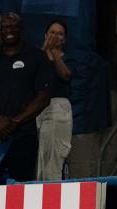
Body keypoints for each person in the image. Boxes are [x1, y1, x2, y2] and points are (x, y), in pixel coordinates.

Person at [0, 12, 51, 183]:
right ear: (0, 31)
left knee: (21, 187)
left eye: (13, 26)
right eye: (4, 27)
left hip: (23, 135)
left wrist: (15, 122)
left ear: (21, 29)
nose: (8, 30)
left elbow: (43, 97)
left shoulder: (36, 56)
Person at [36, 19, 73, 181]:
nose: (55, 36)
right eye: (52, 32)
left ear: (64, 39)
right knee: (40, 158)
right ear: (45, 35)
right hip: (37, 109)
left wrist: (55, 53)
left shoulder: (69, 56)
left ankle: (53, 199)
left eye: (60, 34)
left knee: (54, 159)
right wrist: (45, 49)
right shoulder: (37, 55)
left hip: (57, 108)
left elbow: (66, 75)